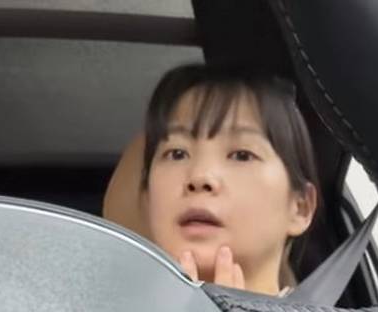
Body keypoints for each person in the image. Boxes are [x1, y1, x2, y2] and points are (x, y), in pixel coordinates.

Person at [136, 63, 320, 297]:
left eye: (242, 155)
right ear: (147, 200)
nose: (200, 177)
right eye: (177, 153)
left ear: (300, 208)